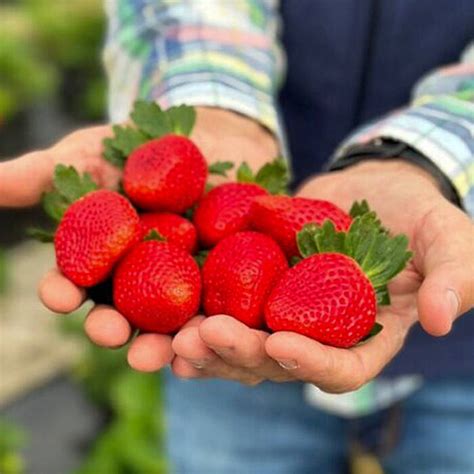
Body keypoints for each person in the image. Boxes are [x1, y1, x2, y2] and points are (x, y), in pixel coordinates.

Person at [1, 1, 473, 472]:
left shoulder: (292, 260)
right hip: (224, 364)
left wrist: (425, 157)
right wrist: (210, 102)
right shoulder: (219, 238)